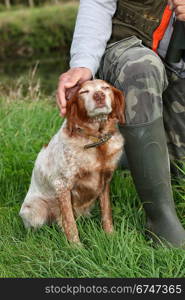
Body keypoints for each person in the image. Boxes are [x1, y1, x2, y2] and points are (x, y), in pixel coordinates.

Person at [56, 0, 185, 248]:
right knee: (141, 69)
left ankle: (128, 151)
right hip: (127, 48)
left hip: (179, 62)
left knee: (179, 172)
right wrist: (82, 64)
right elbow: (97, 4)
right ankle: (161, 220)